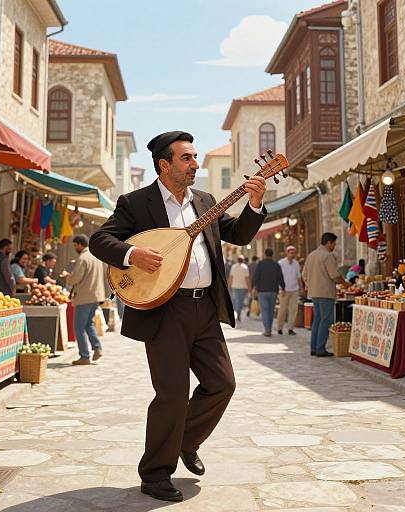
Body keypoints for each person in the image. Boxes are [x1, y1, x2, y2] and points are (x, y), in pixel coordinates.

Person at [89, 130, 266, 502]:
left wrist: (254, 204)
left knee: (223, 384)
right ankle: (155, 474)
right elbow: (100, 240)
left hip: (205, 307)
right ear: (164, 164)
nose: (195, 164)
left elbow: (237, 235)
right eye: (186, 158)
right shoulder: (136, 202)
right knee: (171, 394)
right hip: (164, 309)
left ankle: (185, 440)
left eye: (195, 157)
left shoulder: (205, 200)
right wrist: (132, 254)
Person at [302, 233, 349, 357]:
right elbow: (334, 275)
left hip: (314, 293)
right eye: (334, 243)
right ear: (329, 243)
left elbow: (304, 275)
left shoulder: (311, 255)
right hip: (326, 293)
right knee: (326, 320)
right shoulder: (328, 256)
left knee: (317, 319)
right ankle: (320, 348)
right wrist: (344, 283)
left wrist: (311, 284)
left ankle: (314, 347)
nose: (334, 246)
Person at [62, 234, 105, 365]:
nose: (75, 248)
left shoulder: (83, 258)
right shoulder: (95, 257)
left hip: (84, 297)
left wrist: (67, 277)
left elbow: (76, 278)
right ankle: (97, 347)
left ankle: (84, 356)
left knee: (79, 327)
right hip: (95, 296)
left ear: (80, 244)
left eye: (75, 245)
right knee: (88, 324)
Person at [252, 248, 285, 337]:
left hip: (262, 291)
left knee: (265, 311)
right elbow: (280, 277)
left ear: (265, 254)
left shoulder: (260, 264)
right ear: (272, 254)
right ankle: (268, 329)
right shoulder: (276, 265)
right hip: (273, 291)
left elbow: (256, 277)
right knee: (270, 311)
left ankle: (267, 330)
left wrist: (253, 286)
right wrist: (283, 287)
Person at [277, 245, 302, 335]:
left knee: (293, 310)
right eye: (291, 253)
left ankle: (290, 328)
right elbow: (278, 277)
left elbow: (298, 277)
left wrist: (301, 288)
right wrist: (280, 288)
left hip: (294, 290)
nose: (292, 255)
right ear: (287, 253)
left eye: (294, 253)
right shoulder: (281, 263)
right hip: (284, 290)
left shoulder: (296, 263)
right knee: (282, 310)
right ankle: (280, 327)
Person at [228, 256, 250, 322]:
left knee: (237, 300)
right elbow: (247, 279)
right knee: (241, 301)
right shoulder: (245, 267)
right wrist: (249, 287)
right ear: (243, 260)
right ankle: (239, 314)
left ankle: (238, 314)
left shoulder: (233, 267)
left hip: (234, 286)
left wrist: (229, 285)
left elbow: (230, 277)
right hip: (243, 287)